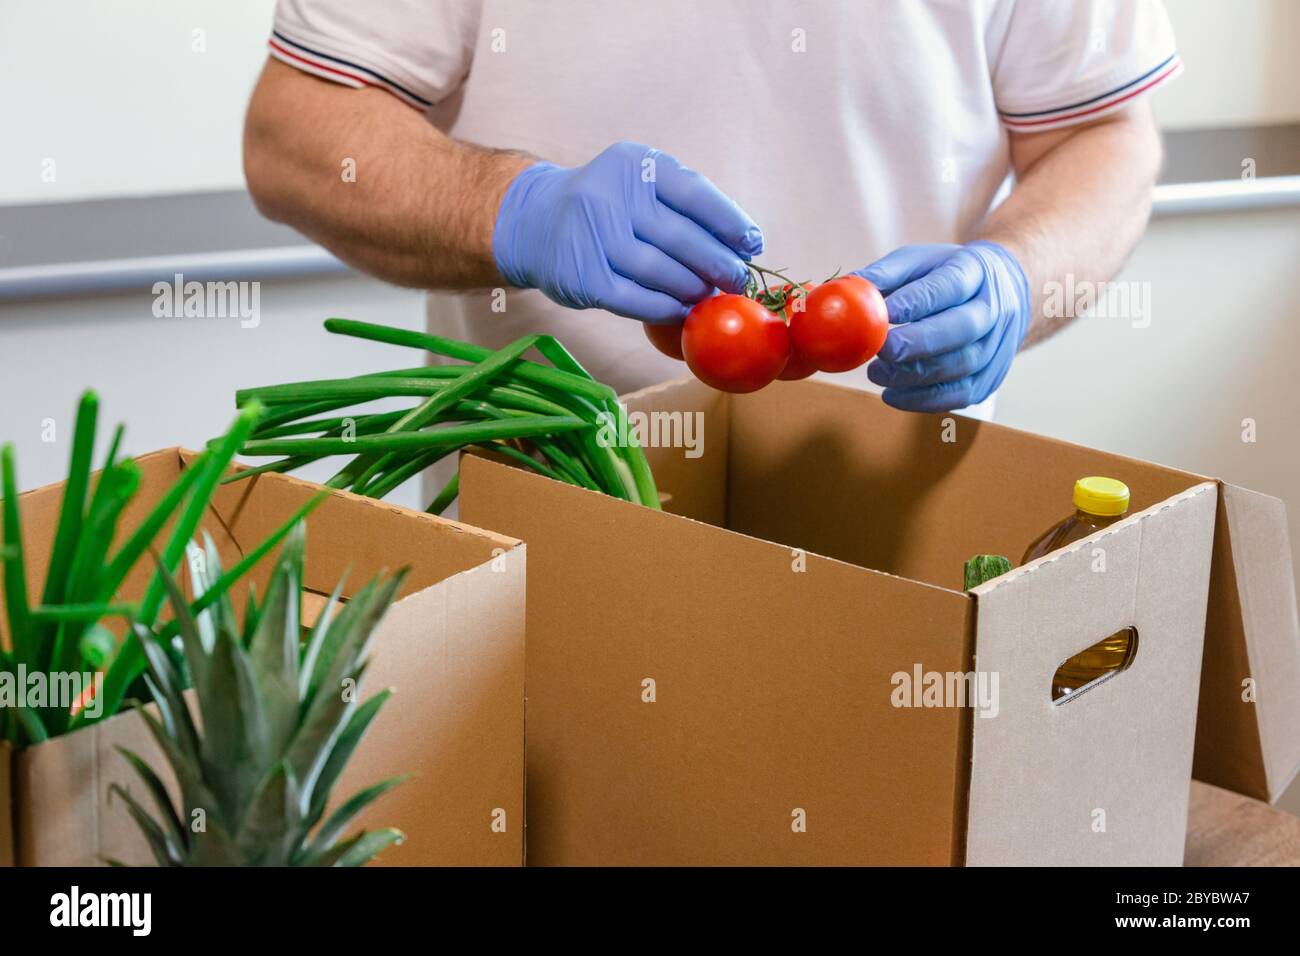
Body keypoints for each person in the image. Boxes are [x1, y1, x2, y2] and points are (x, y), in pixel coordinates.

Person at [245, 0, 1180, 418]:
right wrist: (516, 209)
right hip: (545, 497)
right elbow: (294, 134)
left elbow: (1105, 140)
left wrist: (1014, 279)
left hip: (899, 511)